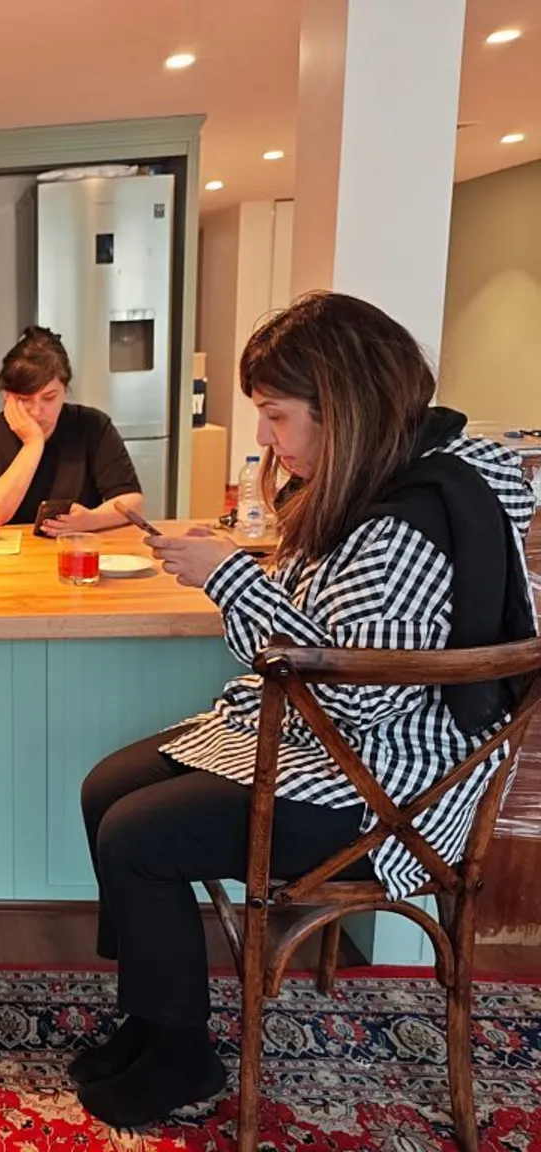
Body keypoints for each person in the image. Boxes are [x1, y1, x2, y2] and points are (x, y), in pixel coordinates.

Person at [75, 292, 537, 1129]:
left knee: (133, 837)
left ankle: (180, 1052)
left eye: (274, 415)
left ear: (343, 409)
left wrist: (229, 579)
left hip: (386, 794)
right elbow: (337, 647)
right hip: (348, 751)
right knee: (107, 786)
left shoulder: (407, 524)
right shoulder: (390, 482)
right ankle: (151, 1013)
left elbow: (351, 693)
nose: (263, 437)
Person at [0, 326, 144, 534]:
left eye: (49, 398)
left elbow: (133, 501)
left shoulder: (93, 425)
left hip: (75, 552)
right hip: (6, 560)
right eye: (24, 399)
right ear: (7, 396)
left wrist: (92, 519)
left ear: (64, 390)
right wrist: (32, 444)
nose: (37, 411)